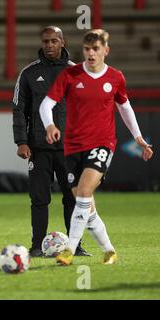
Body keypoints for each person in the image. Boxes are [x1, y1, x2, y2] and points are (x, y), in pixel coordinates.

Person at [39, 29, 153, 265]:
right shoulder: (70, 75)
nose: (91, 53)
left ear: (105, 51)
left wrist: (139, 137)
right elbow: (46, 105)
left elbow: (125, 108)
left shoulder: (115, 77)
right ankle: (109, 250)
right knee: (86, 205)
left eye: (96, 49)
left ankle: (69, 250)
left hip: (102, 144)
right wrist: (49, 125)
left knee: (83, 193)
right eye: (87, 49)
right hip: (72, 147)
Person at [12, 26, 89, 257]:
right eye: (46, 41)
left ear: (62, 42)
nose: (49, 45)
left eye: (54, 41)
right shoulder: (28, 73)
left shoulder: (77, 72)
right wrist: (21, 141)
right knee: (39, 199)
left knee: (72, 197)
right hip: (38, 147)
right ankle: (36, 246)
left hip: (70, 149)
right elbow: (18, 109)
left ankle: (76, 245)